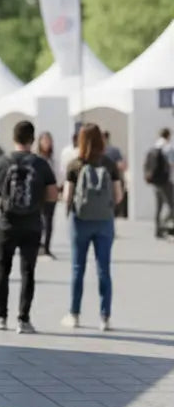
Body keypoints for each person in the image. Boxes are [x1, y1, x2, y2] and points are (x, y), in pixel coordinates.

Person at [0, 120, 57, 334]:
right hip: (32, 224)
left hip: (7, 224)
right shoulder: (42, 164)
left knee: (2, 269)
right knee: (28, 271)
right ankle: (23, 319)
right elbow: (53, 195)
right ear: (32, 139)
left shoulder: (1, 162)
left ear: (14, 138)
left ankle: (1, 316)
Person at [63, 123, 124, 331]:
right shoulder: (109, 163)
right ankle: (105, 317)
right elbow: (118, 196)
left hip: (80, 221)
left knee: (77, 268)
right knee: (104, 269)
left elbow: (67, 197)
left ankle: (74, 315)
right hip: (104, 222)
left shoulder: (75, 164)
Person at [144, 127, 174, 240]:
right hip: (166, 181)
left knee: (159, 206)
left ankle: (158, 230)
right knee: (172, 207)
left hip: (155, 182)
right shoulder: (168, 147)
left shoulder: (154, 147)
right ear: (168, 135)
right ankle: (163, 226)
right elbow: (171, 163)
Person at [37, 132, 59, 258]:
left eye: (48, 141)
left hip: (51, 194)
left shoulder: (52, 160)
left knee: (49, 221)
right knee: (39, 221)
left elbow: (58, 175)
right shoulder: (36, 159)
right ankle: (38, 245)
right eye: (44, 140)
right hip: (39, 193)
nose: (47, 143)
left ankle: (46, 247)